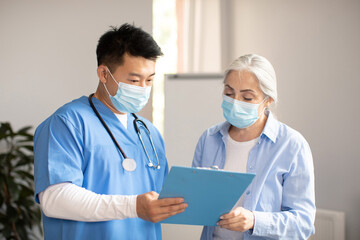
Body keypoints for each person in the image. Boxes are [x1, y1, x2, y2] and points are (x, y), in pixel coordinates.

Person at [34, 23, 188, 240]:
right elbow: (55, 199)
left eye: (150, 80)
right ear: (104, 74)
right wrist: (133, 206)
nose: (143, 88)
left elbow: (159, 200)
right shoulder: (67, 123)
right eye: (134, 80)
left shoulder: (149, 133)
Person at [192, 54, 315, 239]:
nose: (235, 102)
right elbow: (197, 200)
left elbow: (303, 224)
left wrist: (255, 221)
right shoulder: (209, 139)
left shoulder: (292, 145)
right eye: (229, 93)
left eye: (247, 97)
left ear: (268, 101)